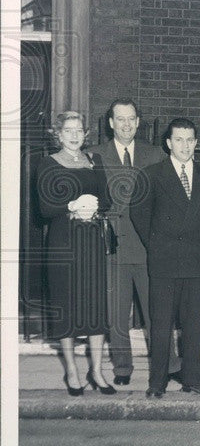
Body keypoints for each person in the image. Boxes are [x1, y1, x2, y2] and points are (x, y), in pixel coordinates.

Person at [130, 118, 200, 398]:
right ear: (168, 143)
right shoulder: (151, 174)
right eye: (178, 140)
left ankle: (193, 378)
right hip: (164, 260)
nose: (185, 145)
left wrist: (190, 239)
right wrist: (159, 245)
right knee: (160, 325)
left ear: (196, 143)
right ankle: (157, 382)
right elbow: (140, 215)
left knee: (193, 324)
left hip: (196, 259)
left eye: (190, 140)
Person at [92, 98, 179, 386]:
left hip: (147, 246)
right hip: (112, 245)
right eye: (120, 119)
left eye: (131, 119)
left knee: (157, 310)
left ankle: (168, 364)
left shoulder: (155, 154)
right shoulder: (95, 155)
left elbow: (166, 200)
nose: (126, 125)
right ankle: (122, 368)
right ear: (111, 123)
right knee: (117, 314)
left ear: (138, 122)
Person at [37, 111, 115, 395]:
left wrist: (94, 205)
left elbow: (107, 199)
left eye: (78, 129)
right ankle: (72, 372)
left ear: (85, 133)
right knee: (67, 304)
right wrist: (71, 205)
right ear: (58, 134)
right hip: (63, 242)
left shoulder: (95, 161)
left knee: (95, 305)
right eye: (68, 130)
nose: (74, 134)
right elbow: (44, 208)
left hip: (91, 240)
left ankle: (97, 371)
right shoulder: (48, 164)